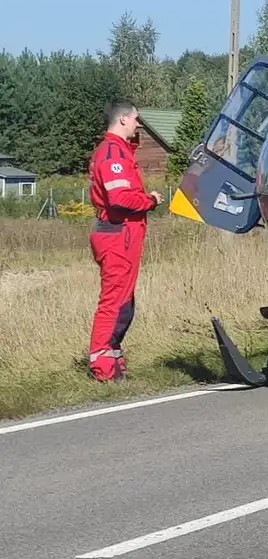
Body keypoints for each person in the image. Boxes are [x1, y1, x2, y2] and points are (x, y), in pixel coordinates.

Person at [86, 102, 163, 382]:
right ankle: (103, 368)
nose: (138, 125)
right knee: (113, 301)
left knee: (125, 304)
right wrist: (150, 200)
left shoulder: (117, 151)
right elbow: (120, 199)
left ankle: (114, 362)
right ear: (122, 120)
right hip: (117, 234)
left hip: (124, 234)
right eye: (135, 120)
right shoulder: (112, 154)